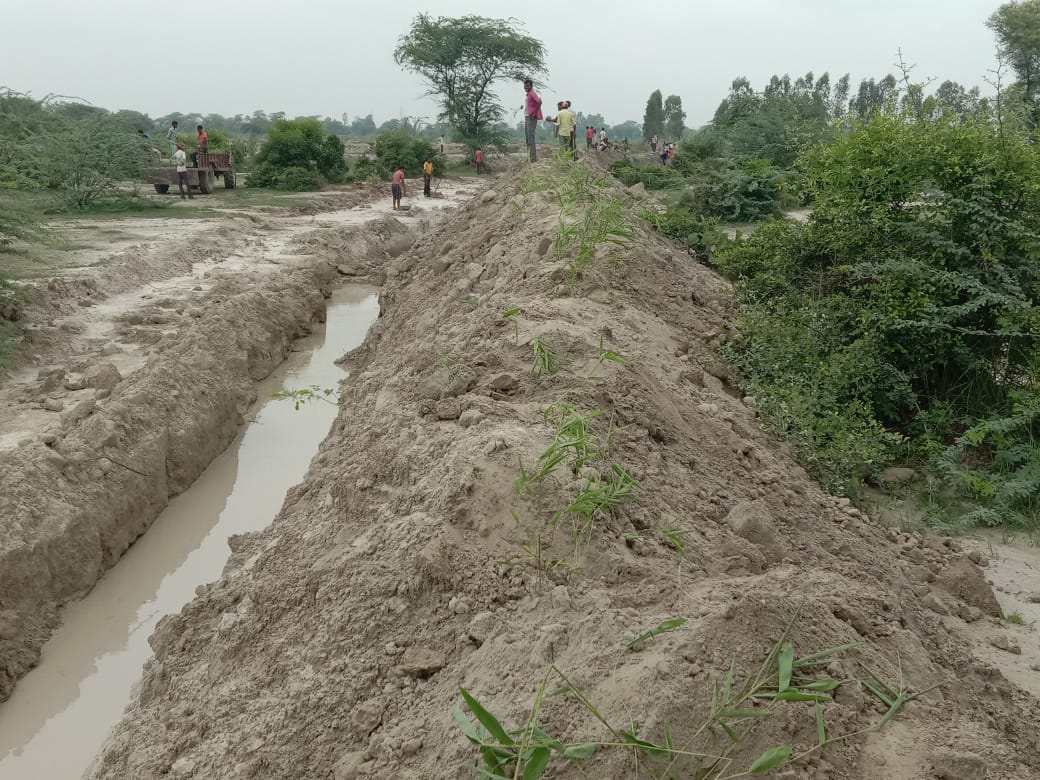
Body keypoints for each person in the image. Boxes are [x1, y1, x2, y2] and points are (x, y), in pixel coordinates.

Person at [523, 78, 542, 162]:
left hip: (531, 118)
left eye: (528, 86)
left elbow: (539, 102)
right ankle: (529, 157)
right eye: (525, 86)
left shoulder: (532, 94)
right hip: (527, 117)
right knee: (528, 138)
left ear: (531, 86)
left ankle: (533, 158)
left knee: (531, 138)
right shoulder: (528, 94)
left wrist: (534, 113)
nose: (526, 87)